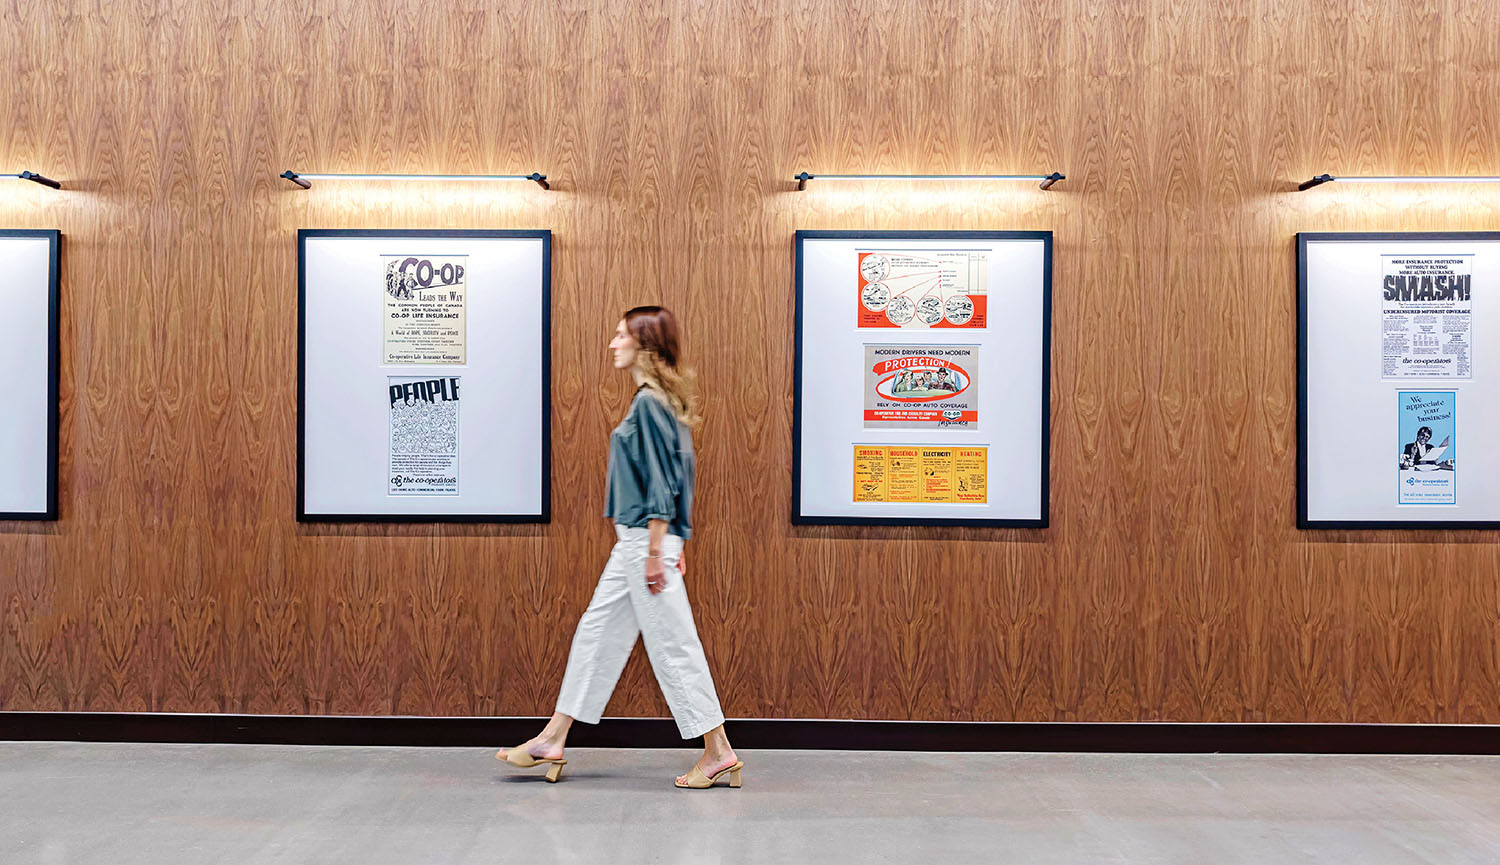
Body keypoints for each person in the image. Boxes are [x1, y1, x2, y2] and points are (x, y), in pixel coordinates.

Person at [496, 305, 742, 790]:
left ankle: (718, 752)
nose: (613, 343)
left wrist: (657, 550)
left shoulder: (650, 402)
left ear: (644, 346)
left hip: (642, 544)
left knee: (673, 645)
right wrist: (671, 540)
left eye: (621, 335)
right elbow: (680, 477)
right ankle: (553, 737)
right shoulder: (658, 399)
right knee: (597, 634)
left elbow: (659, 482)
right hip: (641, 542)